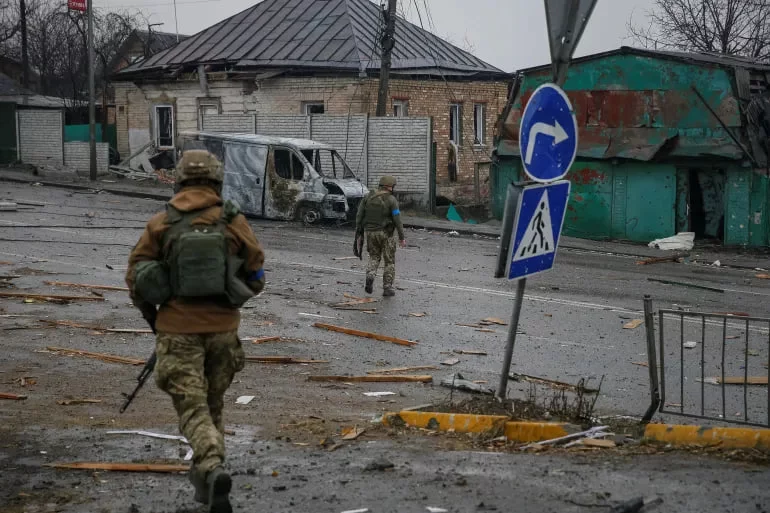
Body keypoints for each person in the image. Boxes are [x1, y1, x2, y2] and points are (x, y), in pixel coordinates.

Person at [125, 149, 265, 513]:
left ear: (180, 180)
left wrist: (155, 320)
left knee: (191, 406)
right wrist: (231, 301)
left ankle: (211, 462)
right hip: (223, 332)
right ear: (217, 180)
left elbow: (136, 279)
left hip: (177, 329)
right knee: (212, 404)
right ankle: (207, 485)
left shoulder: (162, 223)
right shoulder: (233, 220)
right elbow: (257, 274)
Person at [355, 175, 406, 296]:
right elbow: (397, 219)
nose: (393, 188)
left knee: (374, 257)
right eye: (393, 186)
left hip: (371, 233)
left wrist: (359, 232)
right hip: (386, 234)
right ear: (389, 186)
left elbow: (359, 215)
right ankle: (387, 287)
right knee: (389, 261)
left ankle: (370, 276)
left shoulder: (368, 197)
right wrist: (402, 237)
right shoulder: (391, 200)